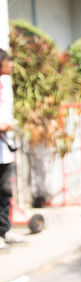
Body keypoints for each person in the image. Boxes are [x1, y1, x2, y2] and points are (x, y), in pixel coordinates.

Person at [0, 49, 21, 251]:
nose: (11, 65)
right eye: (8, 61)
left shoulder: (4, 86)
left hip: (4, 150)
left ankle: (4, 230)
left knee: (5, 191)